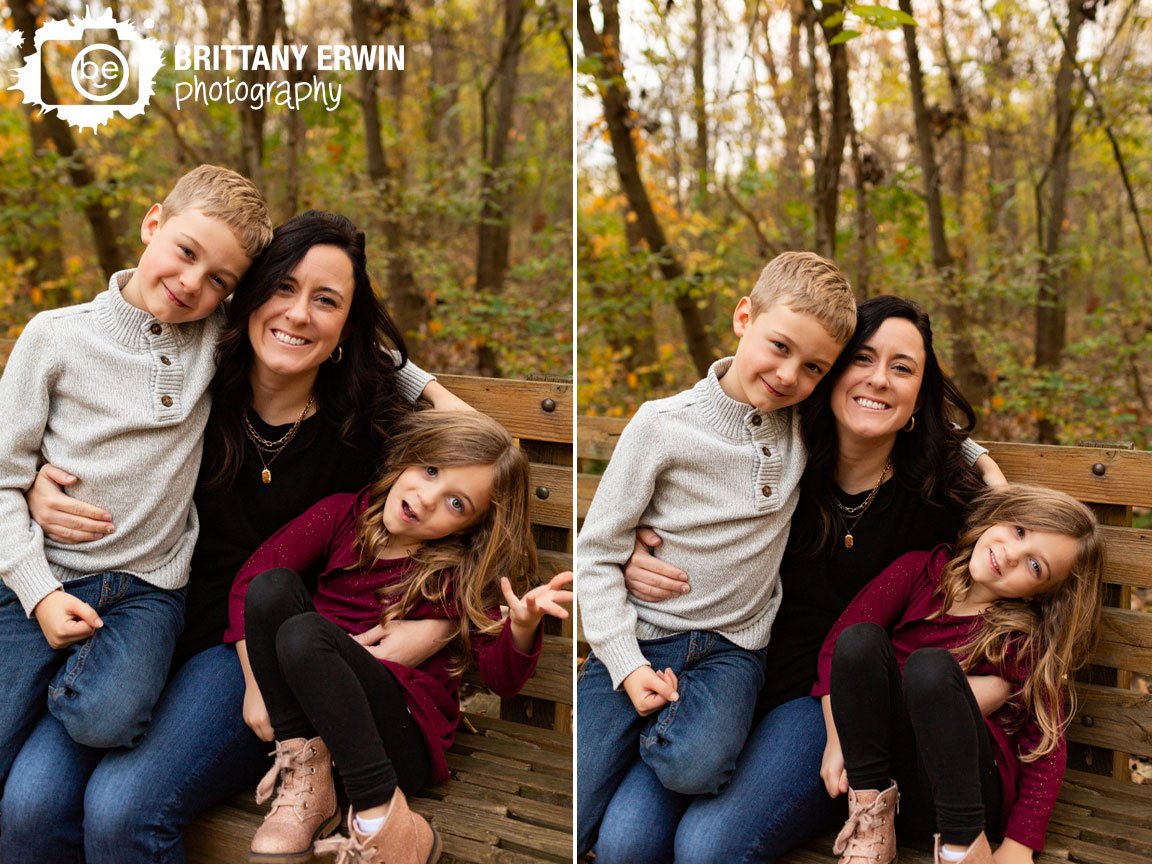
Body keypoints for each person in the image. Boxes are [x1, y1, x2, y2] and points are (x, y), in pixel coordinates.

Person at [7, 210, 467, 864]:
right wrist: (31, 487)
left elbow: (481, 488)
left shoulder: (370, 434)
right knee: (29, 806)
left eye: (326, 301)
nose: (299, 313)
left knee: (122, 811)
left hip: (254, 659)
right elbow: (61, 436)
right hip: (138, 625)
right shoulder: (193, 385)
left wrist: (444, 624)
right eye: (283, 287)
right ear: (248, 297)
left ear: (345, 329)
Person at [596, 295, 1005, 863]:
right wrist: (632, 552)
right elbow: (725, 396)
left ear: (918, 395)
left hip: (823, 707)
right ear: (830, 370)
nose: (879, 380)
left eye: (902, 368)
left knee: (706, 848)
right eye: (861, 358)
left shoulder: (939, 501)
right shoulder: (777, 456)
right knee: (625, 845)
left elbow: (1020, 576)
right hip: (720, 674)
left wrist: (984, 464)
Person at [576, 251, 858, 854]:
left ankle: (653, 748)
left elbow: (916, 428)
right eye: (779, 346)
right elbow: (597, 552)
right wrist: (626, 663)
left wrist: (981, 462)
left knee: (694, 767)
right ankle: (629, 747)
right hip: (638, 635)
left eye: (813, 368)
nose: (788, 375)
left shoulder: (805, 430)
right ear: (743, 317)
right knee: (575, 815)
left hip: (732, 652)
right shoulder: (662, 426)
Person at [0, 165, 272, 782]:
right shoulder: (55, 338)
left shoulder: (219, 339)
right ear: (153, 223)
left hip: (147, 587)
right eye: (185, 252)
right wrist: (39, 591)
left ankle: (56, 707)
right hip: (37, 574)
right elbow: (2, 478)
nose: (191, 282)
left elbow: (352, 347)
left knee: (107, 718)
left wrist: (430, 388)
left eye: (218, 280)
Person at [227, 410, 573, 864]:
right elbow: (250, 584)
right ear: (410, 457)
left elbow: (501, 679)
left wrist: (522, 627)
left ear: (470, 527)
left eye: (456, 503)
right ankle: (306, 784)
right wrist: (254, 685)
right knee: (274, 589)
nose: (427, 497)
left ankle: (381, 815)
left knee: (307, 634)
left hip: (397, 741)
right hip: (316, 732)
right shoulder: (341, 516)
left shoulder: (459, 573)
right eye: (430, 470)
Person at [817, 484, 1102, 864]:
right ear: (1000, 516)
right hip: (894, 787)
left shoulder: (1019, 641)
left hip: (967, 796)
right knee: (859, 641)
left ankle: (963, 848)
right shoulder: (919, 573)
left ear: (1040, 594)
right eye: (1019, 530)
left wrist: (1019, 844)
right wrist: (838, 740)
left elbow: (1045, 745)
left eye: (1035, 566)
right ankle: (870, 824)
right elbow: (838, 649)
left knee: (929, 668)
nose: (1012, 554)